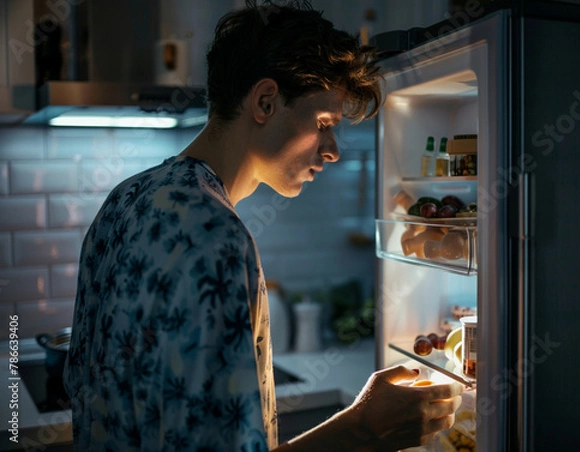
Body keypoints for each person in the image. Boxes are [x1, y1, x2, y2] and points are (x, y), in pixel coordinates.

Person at [64, 0, 464, 451]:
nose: (332, 150)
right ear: (265, 101)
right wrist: (363, 428)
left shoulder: (125, 198)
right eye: (324, 123)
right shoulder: (217, 236)